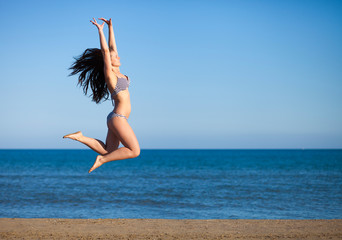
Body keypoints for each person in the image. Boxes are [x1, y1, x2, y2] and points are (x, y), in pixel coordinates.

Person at [63, 18, 140, 173]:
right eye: (114, 57)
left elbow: (112, 48)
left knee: (108, 150)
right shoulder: (111, 76)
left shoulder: (118, 72)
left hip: (116, 118)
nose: (118, 56)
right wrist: (100, 30)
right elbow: (106, 51)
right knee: (134, 151)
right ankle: (101, 160)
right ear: (108, 62)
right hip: (118, 118)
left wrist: (111, 28)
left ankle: (81, 137)